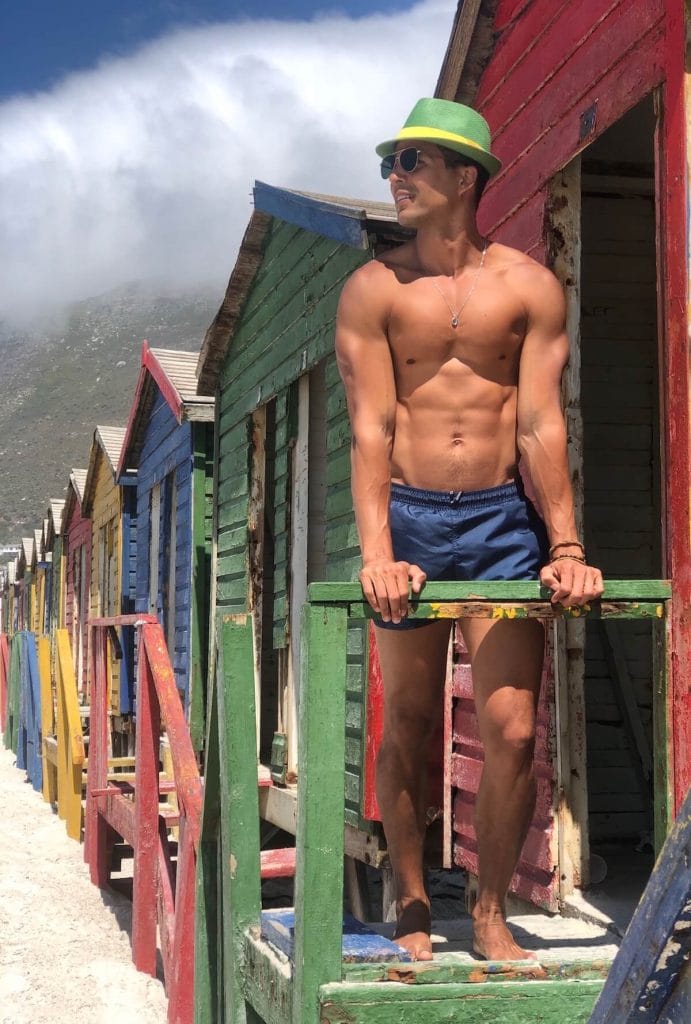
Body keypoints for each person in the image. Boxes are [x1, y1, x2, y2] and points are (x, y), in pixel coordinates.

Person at [335, 97, 603, 963]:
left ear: (464, 176)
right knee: (409, 721)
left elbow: (539, 424)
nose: (394, 177)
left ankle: (487, 911)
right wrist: (377, 552)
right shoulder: (372, 289)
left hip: (499, 525)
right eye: (392, 162)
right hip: (409, 519)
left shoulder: (527, 286)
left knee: (514, 730)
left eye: (412, 161)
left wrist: (564, 545)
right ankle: (413, 901)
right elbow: (369, 428)